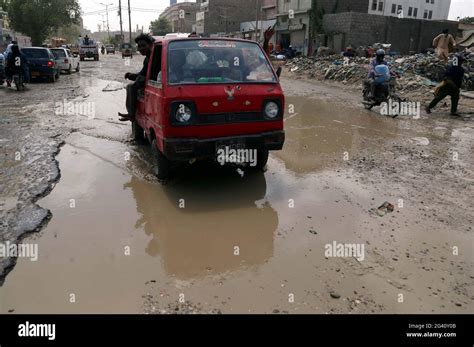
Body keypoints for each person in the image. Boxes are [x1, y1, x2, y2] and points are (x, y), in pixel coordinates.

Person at [118, 34, 155, 122]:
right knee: (131, 85)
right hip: (150, 82)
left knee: (131, 87)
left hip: (155, 83)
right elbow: (143, 73)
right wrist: (131, 75)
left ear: (150, 45)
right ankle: (131, 113)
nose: (141, 48)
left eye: (143, 46)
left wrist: (138, 77)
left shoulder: (156, 56)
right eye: (139, 46)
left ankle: (131, 114)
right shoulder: (147, 58)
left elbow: (150, 74)